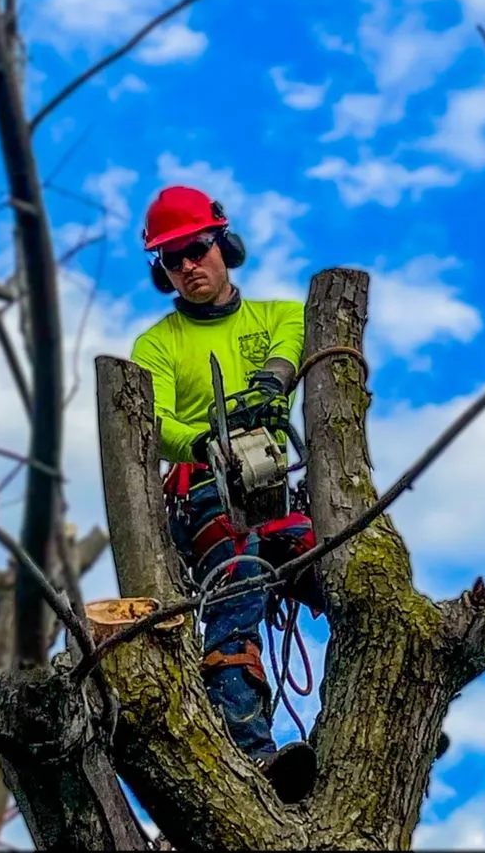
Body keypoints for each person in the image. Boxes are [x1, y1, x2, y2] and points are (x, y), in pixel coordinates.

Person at [131, 184, 323, 804]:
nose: (188, 266)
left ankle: (405, 677)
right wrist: (204, 443)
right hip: (205, 497)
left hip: (277, 498)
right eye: (172, 258)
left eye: (196, 248)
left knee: (340, 570)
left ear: (223, 244)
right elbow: (151, 420)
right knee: (237, 587)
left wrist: (272, 381)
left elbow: (293, 343)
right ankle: (253, 751)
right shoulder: (156, 345)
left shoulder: (278, 315)